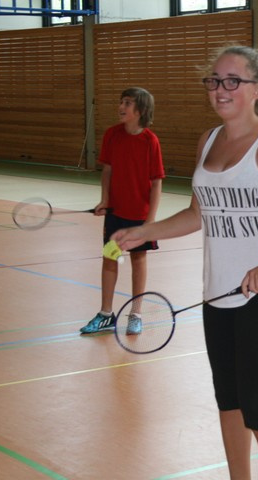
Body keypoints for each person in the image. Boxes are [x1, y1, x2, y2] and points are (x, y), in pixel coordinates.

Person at [113, 45, 258, 479]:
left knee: (256, 403)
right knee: (228, 399)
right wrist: (145, 230)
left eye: (233, 80)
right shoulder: (209, 141)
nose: (220, 89)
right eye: (214, 80)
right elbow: (199, 214)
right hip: (218, 288)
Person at [79, 87, 165, 335]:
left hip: (140, 216)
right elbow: (107, 171)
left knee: (138, 260)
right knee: (110, 258)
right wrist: (104, 200)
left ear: (141, 110)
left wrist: (150, 221)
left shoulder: (150, 141)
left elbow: (156, 182)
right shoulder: (112, 135)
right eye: (121, 102)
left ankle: (136, 314)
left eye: (127, 103)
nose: (121, 106)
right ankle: (106, 314)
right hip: (115, 213)